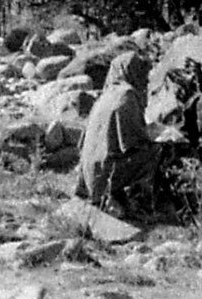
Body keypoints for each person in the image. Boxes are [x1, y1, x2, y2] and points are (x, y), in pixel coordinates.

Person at [75, 53, 175, 217]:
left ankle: (114, 196)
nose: (146, 80)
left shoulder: (105, 95)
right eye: (142, 72)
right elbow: (132, 143)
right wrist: (160, 136)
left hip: (89, 175)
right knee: (160, 151)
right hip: (105, 176)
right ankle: (142, 201)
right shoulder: (126, 94)